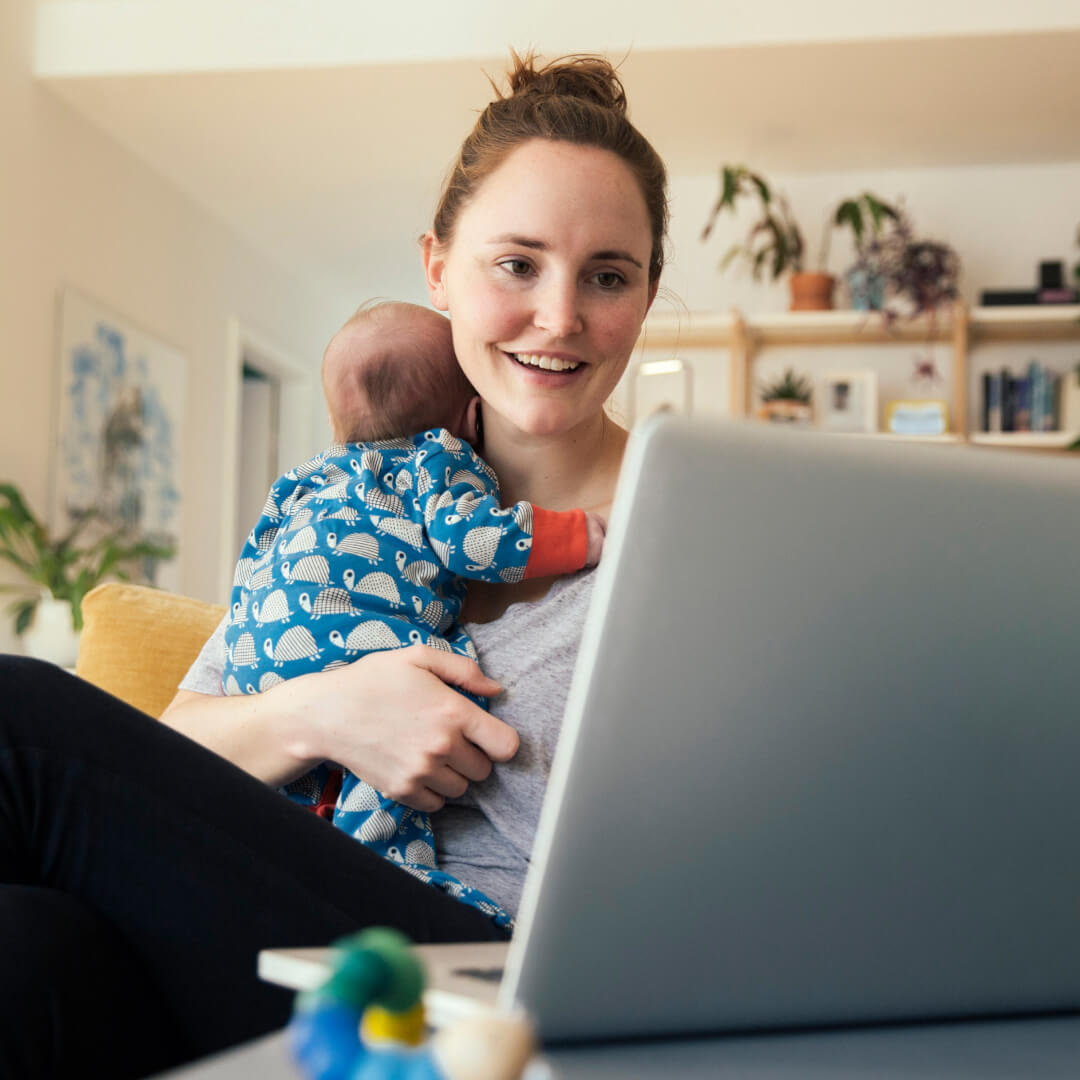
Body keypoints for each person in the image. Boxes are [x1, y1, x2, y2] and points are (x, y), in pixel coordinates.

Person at [0, 49, 666, 1078]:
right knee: (24, 945)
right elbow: (178, 745)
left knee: (19, 717)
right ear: (438, 266)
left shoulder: (679, 537)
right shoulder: (343, 506)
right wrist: (330, 710)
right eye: (517, 263)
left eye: (608, 275)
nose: (561, 314)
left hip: (496, 990)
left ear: (648, 293)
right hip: (280, 964)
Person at [225, 299, 605, 928]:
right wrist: (585, 537)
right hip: (357, 650)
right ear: (468, 416)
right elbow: (476, 542)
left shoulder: (309, 477)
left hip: (259, 650)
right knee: (446, 682)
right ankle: (378, 851)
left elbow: (256, 558)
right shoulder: (437, 457)